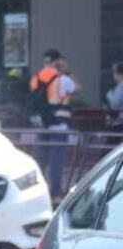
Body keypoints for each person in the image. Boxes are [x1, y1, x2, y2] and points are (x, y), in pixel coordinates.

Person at [43, 57, 79, 197]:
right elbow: (78, 88)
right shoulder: (64, 80)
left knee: (43, 158)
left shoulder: (43, 80)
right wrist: (69, 72)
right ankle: (55, 189)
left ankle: (42, 189)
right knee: (57, 159)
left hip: (44, 125)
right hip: (60, 125)